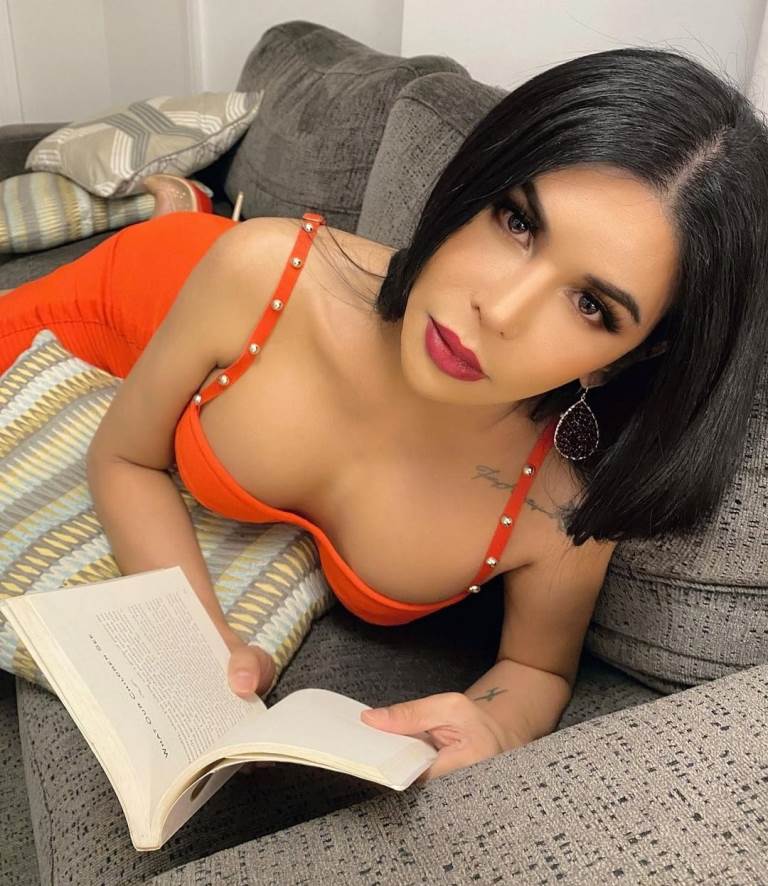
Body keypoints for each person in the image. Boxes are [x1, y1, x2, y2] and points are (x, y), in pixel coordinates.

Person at [2, 45, 767, 782]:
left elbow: (535, 669)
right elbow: (124, 457)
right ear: (476, 182)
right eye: (517, 221)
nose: (499, 310)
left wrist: (497, 723)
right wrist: (204, 641)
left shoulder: (560, 502)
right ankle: (170, 209)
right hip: (146, 290)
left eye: (591, 305)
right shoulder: (264, 268)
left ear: (629, 355)